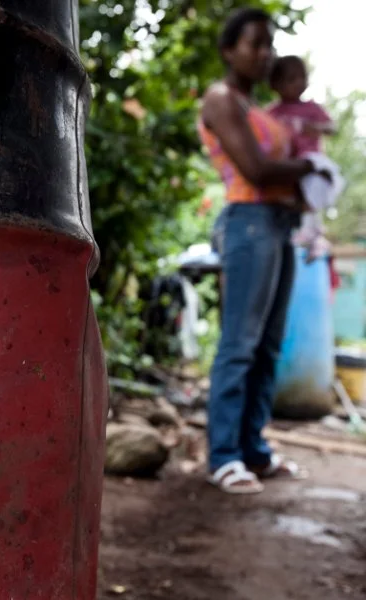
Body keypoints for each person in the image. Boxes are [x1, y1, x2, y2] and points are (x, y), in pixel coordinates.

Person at [198, 8, 327, 494]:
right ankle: (224, 456)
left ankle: (252, 447)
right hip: (248, 223)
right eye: (255, 43)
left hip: (279, 224)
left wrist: (303, 176)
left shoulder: (263, 110)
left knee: (269, 345)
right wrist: (311, 167)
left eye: (269, 44)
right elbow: (255, 170)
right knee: (240, 343)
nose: (265, 53)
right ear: (229, 50)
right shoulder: (220, 99)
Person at [268, 55, 337, 261]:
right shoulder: (272, 113)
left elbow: (332, 127)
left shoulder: (311, 109)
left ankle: (314, 236)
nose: (298, 83)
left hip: (311, 162)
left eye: (302, 77)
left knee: (313, 191)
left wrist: (317, 128)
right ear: (276, 84)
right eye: (291, 79)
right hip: (287, 165)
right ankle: (307, 234)